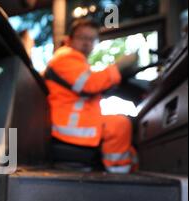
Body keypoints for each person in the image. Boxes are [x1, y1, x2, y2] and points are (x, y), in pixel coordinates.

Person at [44, 18, 139, 173]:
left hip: (76, 121)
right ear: (69, 39)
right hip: (70, 125)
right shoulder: (65, 57)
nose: (87, 43)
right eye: (82, 38)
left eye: (91, 39)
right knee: (120, 125)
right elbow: (89, 84)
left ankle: (122, 168)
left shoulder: (77, 62)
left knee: (125, 136)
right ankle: (119, 176)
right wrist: (119, 66)